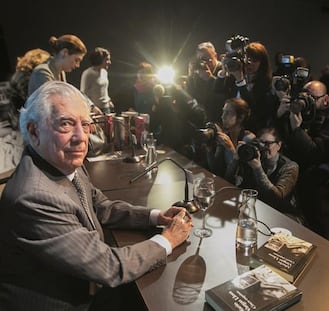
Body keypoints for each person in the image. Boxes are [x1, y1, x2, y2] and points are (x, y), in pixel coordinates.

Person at [0, 81, 193, 310]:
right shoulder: (34, 197)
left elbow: (99, 205)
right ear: (33, 131)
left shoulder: (61, 161)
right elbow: (109, 267)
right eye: (66, 124)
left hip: (83, 285)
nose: (81, 137)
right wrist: (168, 239)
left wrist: (155, 216)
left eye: (85, 124)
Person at [277, 80, 329, 235]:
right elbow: (282, 139)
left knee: (306, 183)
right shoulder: (302, 111)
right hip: (300, 160)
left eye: (312, 98)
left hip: (326, 164)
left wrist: (297, 128)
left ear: (326, 100)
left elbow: (315, 154)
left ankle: (318, 235)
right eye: (304, 96)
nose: (306, 101)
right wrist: (279, 115)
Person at [225, 127, 299, 217]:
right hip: (257, 208)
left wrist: (258, 169)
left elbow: (277, 197)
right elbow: (228, 180)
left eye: (267, 143)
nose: (263, 147)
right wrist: (236, 158)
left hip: (281, 214)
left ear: (279, 145)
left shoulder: (290, 167)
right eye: (260, 143)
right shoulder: (253, 158)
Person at [216, 41, 277, 132]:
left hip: (251, 131)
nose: (250, 63)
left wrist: (240, 81)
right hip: (229, 128)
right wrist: (223, 72)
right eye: (247, 59)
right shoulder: (234, 76)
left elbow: (253, 109)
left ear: (262, 63)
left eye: (255, 60)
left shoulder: (267, 84)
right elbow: (216, 92)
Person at [205, 97, 255, 177]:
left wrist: (231, 148)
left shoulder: (248, 139)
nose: (222, 116)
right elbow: (216, 170)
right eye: (223, 112)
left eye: (228, 113)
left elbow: (241, 174)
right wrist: (209, 149)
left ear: (241, 117)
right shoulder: (226, 135)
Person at [7, 48, 50, 125]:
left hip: (18, 119)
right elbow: (34, 102)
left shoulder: (21, 75)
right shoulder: (27, 78)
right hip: (24, 122)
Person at [187, 41, 224, 123]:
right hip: (203, 120)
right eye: (201, 59)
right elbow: (190, 95)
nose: (204, 63)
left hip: (221, 119)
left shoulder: (224, 69)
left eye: (207, 58)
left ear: (215, 56)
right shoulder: (198, 74)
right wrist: (190, 76)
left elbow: (224, 96)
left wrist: (210, 79)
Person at [80, 47, 113, 114]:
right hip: (95, 110)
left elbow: (104, 90)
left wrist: (109, 100)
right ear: (99, 60)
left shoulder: (104, 72)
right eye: (107, 60)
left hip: (106, 108)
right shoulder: (88, 73)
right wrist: (93, 107)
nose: (109, 62)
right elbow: (83, 93)